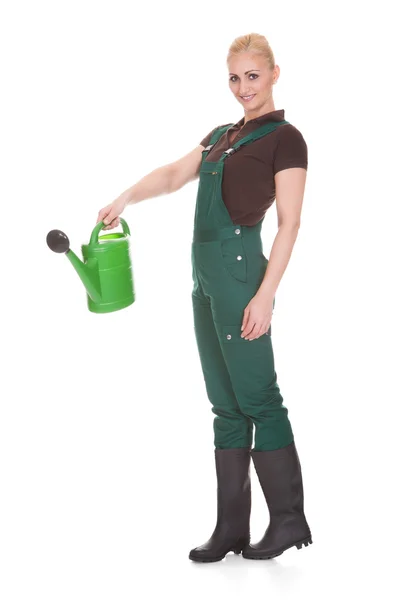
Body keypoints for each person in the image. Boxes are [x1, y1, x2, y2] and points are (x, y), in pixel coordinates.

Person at [96, 32, 312, 563]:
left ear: (274, 74)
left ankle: (287, 521)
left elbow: (289, 224)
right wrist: (125, 197)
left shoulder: (286, 139)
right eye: (235, 78)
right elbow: (174, 175)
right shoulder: (221, 135)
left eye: (253, 76)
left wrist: (265, 296)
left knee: (260, 398)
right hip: (204, 276)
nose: (243, 87)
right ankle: (231, 528)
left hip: (242, 274)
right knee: (225, 404)